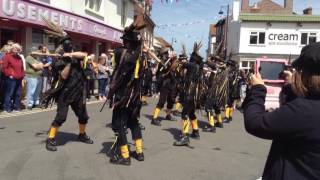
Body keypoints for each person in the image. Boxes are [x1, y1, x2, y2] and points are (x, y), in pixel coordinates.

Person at [242, 42, 320, 180]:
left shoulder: (304, 110)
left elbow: (254, 122)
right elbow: (292, 116)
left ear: (306, 74)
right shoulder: (305, 108)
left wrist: (257, 90)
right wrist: (290, 88)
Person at [40, 18, 94, 151]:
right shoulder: (58, 61)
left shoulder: (77, 56)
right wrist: (68, 62)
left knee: (83, 116)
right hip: (65, 93)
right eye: (67, 44)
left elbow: (84, 55)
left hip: (78, 92)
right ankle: (50, 138)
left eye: (70, 43)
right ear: (62, 46)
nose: (70, 45)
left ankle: (82, 134)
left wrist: (72, 56)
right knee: (61, 117)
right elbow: (63, 76)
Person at [107, 17, 145, 165]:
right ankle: (140, 152)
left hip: (123, 96)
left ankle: (125, 156)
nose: (122, 42)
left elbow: (118, 59)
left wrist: (128, 33)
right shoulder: (140, 56)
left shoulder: (120, 53)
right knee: (134, 122)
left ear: (127, 42)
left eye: (124, 40)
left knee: (119, 124)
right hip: (135, 96)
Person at [173, 42, 203, 146]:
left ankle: (185, 136)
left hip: (189, 94)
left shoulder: (192, 66)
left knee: (184, 114)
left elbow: (181, 63)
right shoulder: (199, 67)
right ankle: (195, 131)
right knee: (191, 114)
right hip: (194, 95)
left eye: (191, 57)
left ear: (193, 59)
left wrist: (178, 59)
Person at [151, 47, 178, 126]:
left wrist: (174, 59)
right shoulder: (161, 63)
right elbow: (159, 73)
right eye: (166, 53)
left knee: (171, 100)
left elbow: (175, 67)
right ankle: (154, 118)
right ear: (163, 55)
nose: (167, 54)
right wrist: (165, 65)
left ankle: (168, 115)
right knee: (162, 101)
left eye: (168, 53)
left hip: (172, 84)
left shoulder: (172, 61)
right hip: (164, 84)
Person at [2, 43, 25, 113]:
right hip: (11, 79)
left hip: (19, 78)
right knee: (9, 93)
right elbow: (4, 68)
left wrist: (22, 75)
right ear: (12, 49)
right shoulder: (7, 56)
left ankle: (17, 107)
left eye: (18, 49)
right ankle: (7, 108)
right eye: (15, 48)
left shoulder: (19, 57)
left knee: (18, 93)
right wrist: (10, 75)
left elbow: (22, 67)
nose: (17, 50)